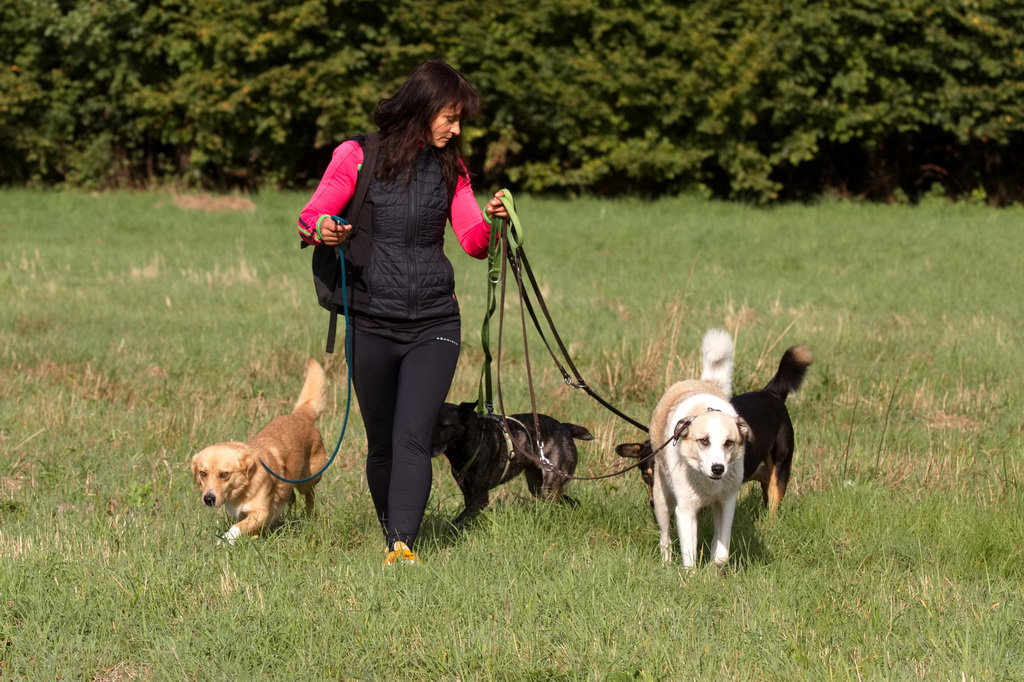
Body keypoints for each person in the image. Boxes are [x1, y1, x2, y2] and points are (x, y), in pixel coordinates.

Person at [297, 59, 509, 566]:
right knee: (383, 444)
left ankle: (402, 548)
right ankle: (392, 530)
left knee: (414, 435)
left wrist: (495, 222)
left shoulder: (450, 168)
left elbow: (473, 242)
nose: (456, 129)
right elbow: (311, 217)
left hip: (435, 323)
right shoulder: (356, 155)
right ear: (424, 106)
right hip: (370, 319)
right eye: (451, 117)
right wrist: (326, 228)